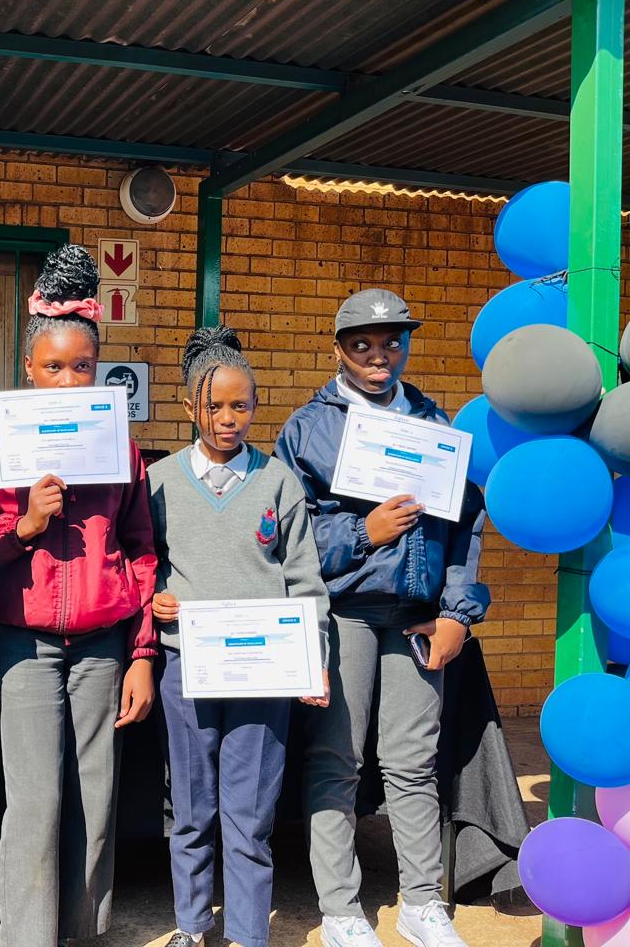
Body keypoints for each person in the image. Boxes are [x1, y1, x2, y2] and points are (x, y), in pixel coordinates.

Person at [274, 289, 489, 947]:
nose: (379, 355)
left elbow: (465, 523)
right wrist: (362, 532)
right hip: (344, 612)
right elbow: (288, 533)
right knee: (336, 759)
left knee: (413, 761)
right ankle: (341, 911)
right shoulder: (307, 428)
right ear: (338, 348)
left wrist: (457, 614)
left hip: (417, 616)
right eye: (362, 343)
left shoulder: (432, 420)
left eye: (393, 341)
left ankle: (423, 902)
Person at [0, 244, 157, 947]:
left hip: (103, 644)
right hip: (25, 644)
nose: (69, 379)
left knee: (94, 796)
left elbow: (141, 550)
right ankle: (28, 936)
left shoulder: (123, 450)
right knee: (35, 801)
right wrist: (26, 525)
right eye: (53, 367)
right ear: (28, 368)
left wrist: (142, 652)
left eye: (82, 367)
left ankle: (83, 931)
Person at [149, 325, 330, 947]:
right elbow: (145, 562)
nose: (229, 419)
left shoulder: (278, 481)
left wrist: (313, 658)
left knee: (250, 814)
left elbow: (304, 578)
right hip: (186, 666)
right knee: (191, 809)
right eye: (215, 406)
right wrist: (155, 600)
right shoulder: (159, 481)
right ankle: (192, 925)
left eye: (242, 405)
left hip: (263, 673)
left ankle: (250, 933)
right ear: (189, 406)